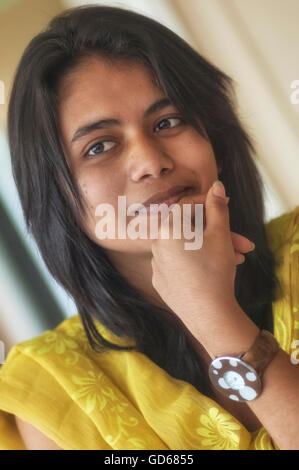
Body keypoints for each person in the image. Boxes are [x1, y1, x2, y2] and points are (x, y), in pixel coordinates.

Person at [0, 4, 298, 450]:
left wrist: (215, 318)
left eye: (168, 121)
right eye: (100, 146)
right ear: (54, 192)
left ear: (213, 137)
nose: (151, 161)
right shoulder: (54, 392)